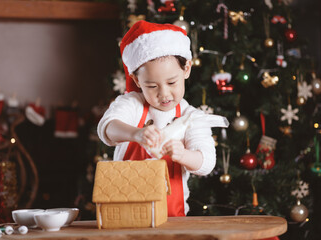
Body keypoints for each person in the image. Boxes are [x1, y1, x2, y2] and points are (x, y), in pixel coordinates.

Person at [97, 20, 228, 216]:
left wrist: (183, 155)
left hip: (172, 216)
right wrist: (136, 133)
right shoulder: (132, 104)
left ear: (186, 69)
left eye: (171, 82)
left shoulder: (191, 117)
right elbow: (107, 129)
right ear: (136, 80)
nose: (164, 94)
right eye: (152, 86)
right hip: (125, 213)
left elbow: (206, 163)